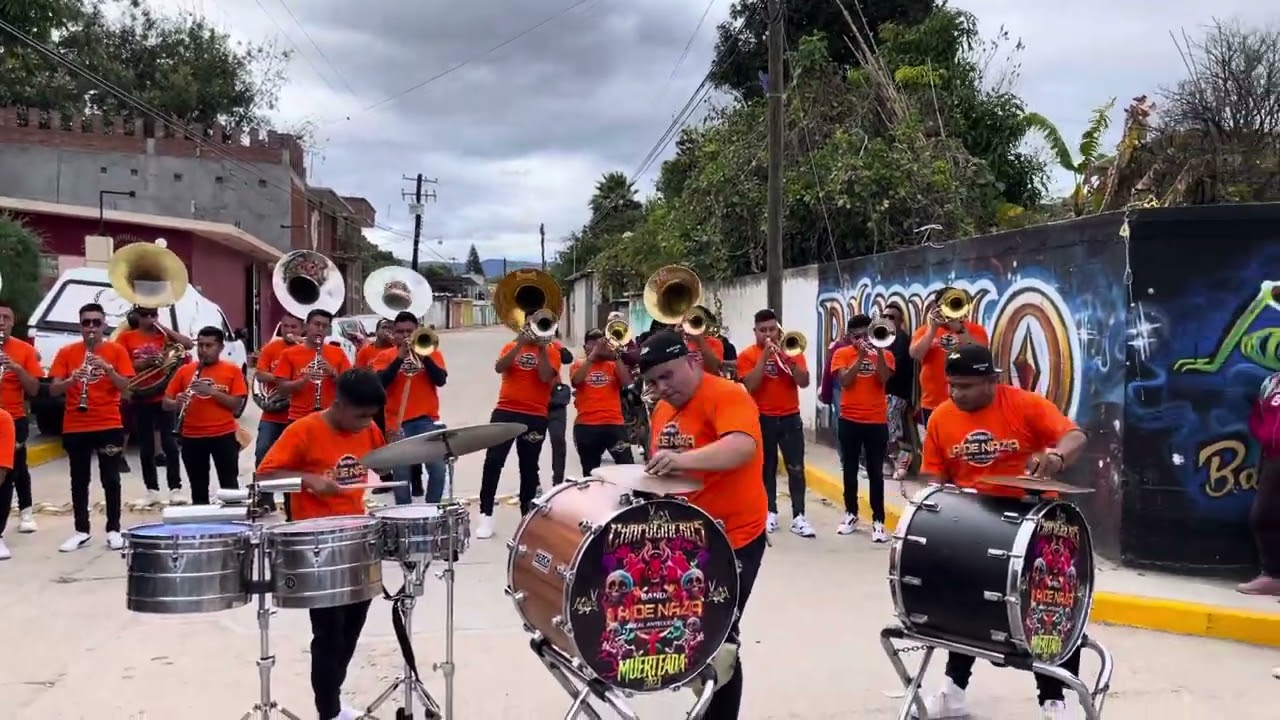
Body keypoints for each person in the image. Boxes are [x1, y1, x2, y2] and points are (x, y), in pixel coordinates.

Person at [915, 344, 1088, 720]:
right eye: (952, 386)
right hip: (974, 520)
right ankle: (952, 694)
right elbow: (933, 478)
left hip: (1036, 522)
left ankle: (1055, 703)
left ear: (992, 380)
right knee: (964, 606)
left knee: (1050, 608)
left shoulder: (1025, 404)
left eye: (966, 386)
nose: (956, 394)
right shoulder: (941, 418)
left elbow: (1075, 436)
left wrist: (1056, 457)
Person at [639, 330, 767, 720]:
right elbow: (663, 469)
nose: (661, 388)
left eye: (667, 375)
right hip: (686, 541)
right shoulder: (662, 410)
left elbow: (742, 446)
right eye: (652, 381)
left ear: (692, 360)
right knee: (690, 635)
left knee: (720, 640)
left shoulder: (727, 395)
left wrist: (684, 460)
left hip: (734, 538)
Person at [256, 368, 387, 720]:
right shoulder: (303, 430)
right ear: (339, 404)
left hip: (357, 535)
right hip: (317, 541)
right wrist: (307, 479)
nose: (366, 424)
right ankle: (327, 710)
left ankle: (333, 698)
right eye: (360, 415)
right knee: (329, 632)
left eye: (371, 417)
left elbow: (381, 460)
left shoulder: (369, 429)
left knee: (353, 626)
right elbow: (264, 476)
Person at [48, 303, 135, 552]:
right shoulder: (66, 352)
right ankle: (81, 530)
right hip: (76, 424)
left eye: (96, 322)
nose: (91, 328)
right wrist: (71, 379)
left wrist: (107, 369)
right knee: (79, 479)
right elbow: (53, 390)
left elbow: (126, 390)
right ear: (80, 326)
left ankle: (114, 530)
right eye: (87, 323)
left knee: (111, 478)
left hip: (108, 422)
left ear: (104, 324)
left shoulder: (116, 352)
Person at [475, 320, 562, 540]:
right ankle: (486, 513)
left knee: (529, 466)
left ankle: (526, 517)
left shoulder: (552, 351)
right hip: (505, 410)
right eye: (532, 324)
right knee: (493, 461)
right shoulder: (510, 346)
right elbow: (499, 367)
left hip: (535, 415)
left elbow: (544, 377)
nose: (535, 330)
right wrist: (518, 345)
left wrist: (541, 348)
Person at [737, 309, 814, 537]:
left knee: (796, 469)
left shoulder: (792, 349)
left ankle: (799, 516)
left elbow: (805, 382)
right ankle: (769, 511)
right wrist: (765, 358)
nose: (767, 334)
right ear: (755, 332)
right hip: (762, 418)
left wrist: (786, 358)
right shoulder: (748, 355)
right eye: (763, 331)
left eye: (772, 329)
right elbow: (750, 385)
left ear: (778, 329)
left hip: (790, 417)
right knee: (766, 468)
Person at [271, 309, 354, 519]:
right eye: (316, 324)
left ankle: (330, 514)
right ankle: (294, 517)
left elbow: (350, 386)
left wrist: (332, 373)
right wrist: (303, 380)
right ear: (306, 326)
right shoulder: (289, 354)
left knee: (330, 470)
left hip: (330, 422)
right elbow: (280, 388)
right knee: (297, 472)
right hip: (298, 420)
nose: (319, 329)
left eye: (324, 326)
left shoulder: (336, 354)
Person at [116, 305, 194, 505]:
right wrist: (144, 364)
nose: (149, 318)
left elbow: (187, 345)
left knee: (169, 444)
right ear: (137, 317)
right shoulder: (127, 338)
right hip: (140, 395)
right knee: (146, 447)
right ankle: (151, 490)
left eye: (153, 314)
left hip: (163, 395)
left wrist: (163, 328)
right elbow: (120, 364)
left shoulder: (164, 336)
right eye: (145, 315)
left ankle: (175, 488)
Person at [163, 327, 249, 506]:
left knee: (229, 486)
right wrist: (177, 402)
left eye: (209, 345)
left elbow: (236, 405)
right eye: (200, 345)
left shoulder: (232, 371)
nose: (203, 350)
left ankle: (232, 526)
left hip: (223, 436)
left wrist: (212, 392)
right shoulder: (185, 371)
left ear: (221, 347)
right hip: (192, 437)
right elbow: (165, 403)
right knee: (198, 487)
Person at [830, 314, 895, 542]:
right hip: (849, 419)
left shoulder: (885, 353)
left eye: (866, 334)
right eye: (857, 336)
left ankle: (878, 521)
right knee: (849, 469)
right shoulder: (841, 353)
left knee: (876, 472)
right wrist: (859, 357)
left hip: (876, 421)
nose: (862, 339)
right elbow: (845, 381)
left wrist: (875, 353)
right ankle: (851, 513)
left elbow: (883, 379)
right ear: (849, 337)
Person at [372, 311, 449, 505]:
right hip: (397, 423)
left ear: (416, 332)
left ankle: (431, 509)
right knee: (401, 477)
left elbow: (440, 380)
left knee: (438, 469)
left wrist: (423, 356)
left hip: (427, 420)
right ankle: (404, 514)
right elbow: (380, 384)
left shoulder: (431, 352)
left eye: (409, 331)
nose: (405, 336)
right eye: (400, 331)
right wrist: (399, 358)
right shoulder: (384, 356)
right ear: (394, 333)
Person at [909, 289, 989, 428]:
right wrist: (932, 329)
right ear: (936, 307)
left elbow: (981, 354)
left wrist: (959, 330)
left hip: (967, 400)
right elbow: (915, 354)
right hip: (932, 402)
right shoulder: (924, 331)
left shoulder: (975, 330)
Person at [0, 300, 44, 551]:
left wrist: (16, 368)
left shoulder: (24, 350)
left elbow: (35, 389)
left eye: (6, 318)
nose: (1, 322)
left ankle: (25, 511)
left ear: (12, 322)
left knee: (14, 468)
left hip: (14, 417)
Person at [250, 313, 303, 513]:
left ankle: (292, 503)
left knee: (294, 461)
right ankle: (265, 499)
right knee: (263, 455)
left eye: (294, 327)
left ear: (302, 329)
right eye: (285, 326)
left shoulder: (306, 349)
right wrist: (283, 377)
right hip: (272, 415)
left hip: (296, 414)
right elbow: (260, 374)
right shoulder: (272, 347)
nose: (289, 331)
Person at [569, 328, 635, 475]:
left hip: (614, 425)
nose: (596, 347)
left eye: (599, 344)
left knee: (628, 469)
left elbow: (627, 383)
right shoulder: (579, 364)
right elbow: (576, 381)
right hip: (586, 426)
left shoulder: (612, 365)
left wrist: (616, 356)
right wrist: (592, 357)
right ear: (585, 347)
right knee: (590, 473)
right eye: (592, 344)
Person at [1240, 370, 1280, 594]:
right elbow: (1258, 413)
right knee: (1263, 516)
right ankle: (1273, 576)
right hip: (1273, 458)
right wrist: (1263, 434)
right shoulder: (1273, 382)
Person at [881, 305, 917, 459]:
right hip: (887, 393)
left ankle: (898, 461)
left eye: (892, 317)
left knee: (892, 431)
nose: (888, 320)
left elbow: (895, 367)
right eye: (885, 316)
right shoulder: (885, 338)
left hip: (897, 394)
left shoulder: (901, 339)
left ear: (900, 321)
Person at [819, 320, 856, 462]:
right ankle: (844, 456)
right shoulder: (839, 347)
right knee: (841, 421)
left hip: (855, 392)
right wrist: (826, 393)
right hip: (839, 388)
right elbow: (828, 371)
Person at [546, 331, 575, 488]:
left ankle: (558, 481)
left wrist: (557, 345)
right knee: (531, 443)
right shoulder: (524, 347)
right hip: (533, 400)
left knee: (558, 440)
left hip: (554, 400)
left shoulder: (553, 345)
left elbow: (568, 358)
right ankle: (534, 482)